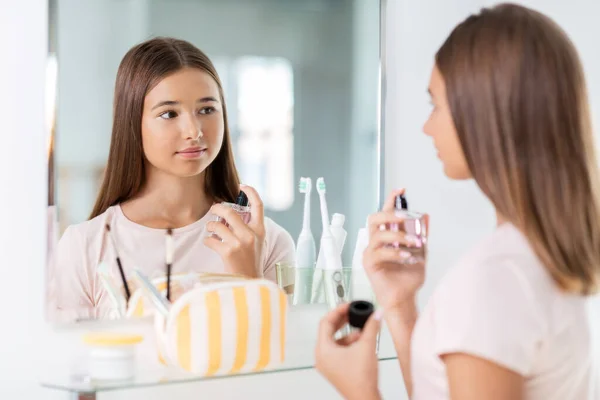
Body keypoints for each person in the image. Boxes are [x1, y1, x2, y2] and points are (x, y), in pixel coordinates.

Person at [315, 4, 600, 400]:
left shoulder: (494, 280)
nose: (426, 127)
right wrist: (400, 304)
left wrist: (360, 391)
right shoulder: (543, 260)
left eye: (436, 105)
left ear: (483, 114)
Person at [49, 37, 295, 321]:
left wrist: (248, 279)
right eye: (169, 113)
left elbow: (277, 355)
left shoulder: (265, 242)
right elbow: (68, 360)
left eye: (206, 110)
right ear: (132, 122)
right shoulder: (85, 246)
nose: (194, 130)